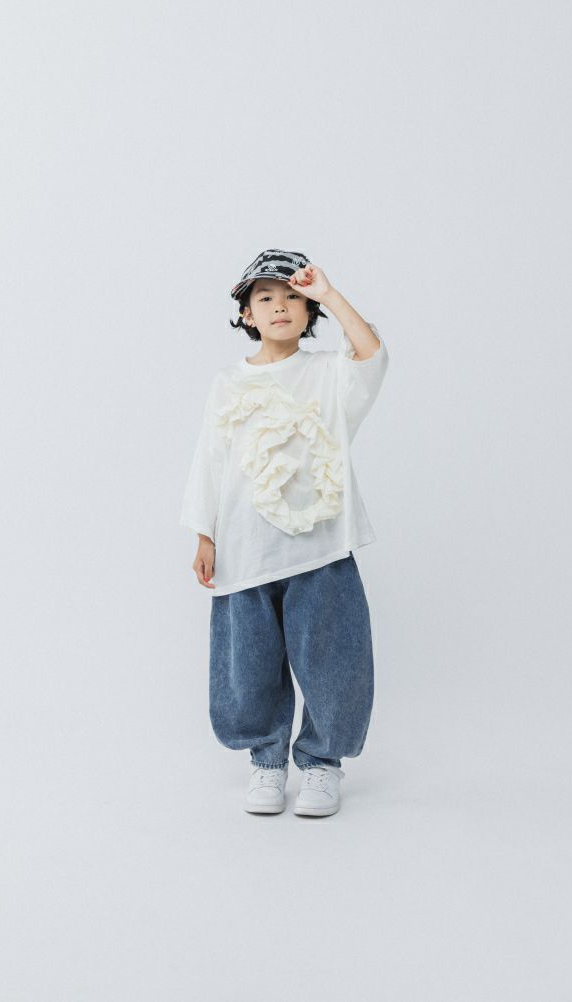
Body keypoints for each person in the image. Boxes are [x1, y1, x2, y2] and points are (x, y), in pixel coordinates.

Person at [179, 248, 390, 817]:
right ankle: (267, 762)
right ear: (246, 314)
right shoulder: (228, 382)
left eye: (293, 297)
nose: (280, 307)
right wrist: (204, 534)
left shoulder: (327, 374)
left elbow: (371, 355)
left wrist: (330, 294)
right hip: (245, 551)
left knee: (333, 660)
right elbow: (210, 459)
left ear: (308, 310)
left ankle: (322, 763)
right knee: (248, 665)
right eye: (266, 298)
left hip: (320, 547)